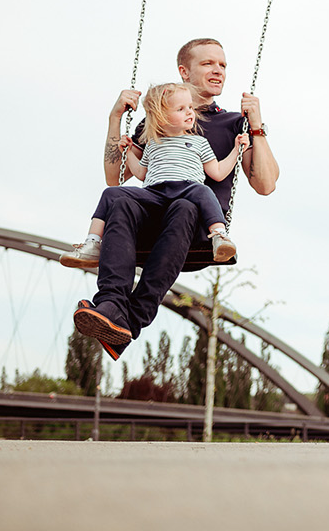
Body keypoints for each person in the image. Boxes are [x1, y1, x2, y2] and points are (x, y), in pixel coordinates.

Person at [70, 38, 279, 361]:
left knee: (185, 205)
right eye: (208, 63)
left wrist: (256, 126)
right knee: (122, 200)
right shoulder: (156, 121)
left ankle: (132, 317)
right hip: (151, 215)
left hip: (196, 227)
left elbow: (265, 184)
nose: (218, 71)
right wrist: (115, 120)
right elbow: (116, 179)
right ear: (184, 71)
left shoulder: (232, 122)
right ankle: (112, 306)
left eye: (223, 65)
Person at [61, 82, 246, 269]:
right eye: (181, 109)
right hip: (155, 193)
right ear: (161, 117)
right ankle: (92, 243)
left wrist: (236, 149)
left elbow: (218, 172)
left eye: (190, 107)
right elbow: (142, 173)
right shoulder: (152, 143)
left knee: (204, 191)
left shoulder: (199, 142)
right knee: (111, 193)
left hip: (187, 190)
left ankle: (219, 237)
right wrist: (129, 152)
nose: (190, 112)